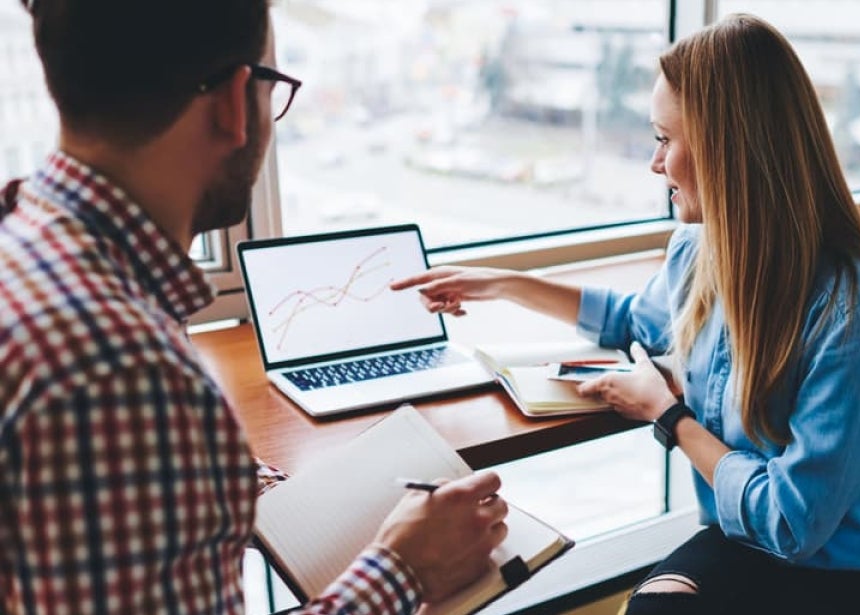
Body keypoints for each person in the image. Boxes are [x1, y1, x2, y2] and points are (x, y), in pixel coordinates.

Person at [391, 13, 860, 615]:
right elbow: (639, 321)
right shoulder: (700, 252)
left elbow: (791, 524)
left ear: (728, 151)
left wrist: (669, 415)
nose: (656, 164)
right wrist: (506, 285)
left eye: (664, 139)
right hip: (752, 538)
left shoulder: (854, 310)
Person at [0, 1, 507, 613]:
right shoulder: (122, 371)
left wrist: (227, 478)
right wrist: (404, 568)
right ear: (235, 103)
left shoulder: (29, 248)